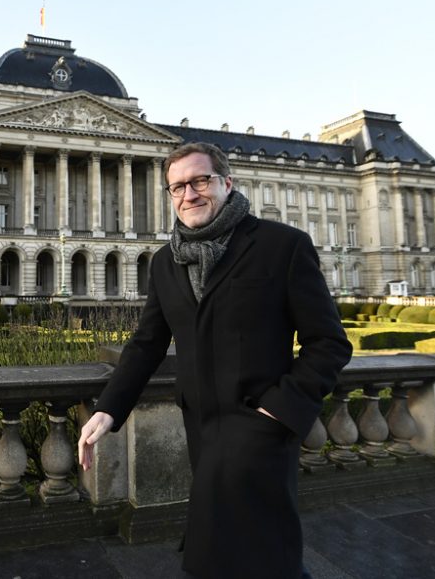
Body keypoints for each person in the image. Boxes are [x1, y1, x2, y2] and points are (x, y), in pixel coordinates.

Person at [77, 142, 351, 578]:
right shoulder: (166, 262)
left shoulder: (283, 246)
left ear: (226, 182)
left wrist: (278, 411)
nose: (190, 194)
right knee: (232, 547)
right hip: (202, 428)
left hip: (263, 423)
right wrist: (109, 408)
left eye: (200, 181)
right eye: (178, 187)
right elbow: (147, 343)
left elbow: (329, 343)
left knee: (258, 548)